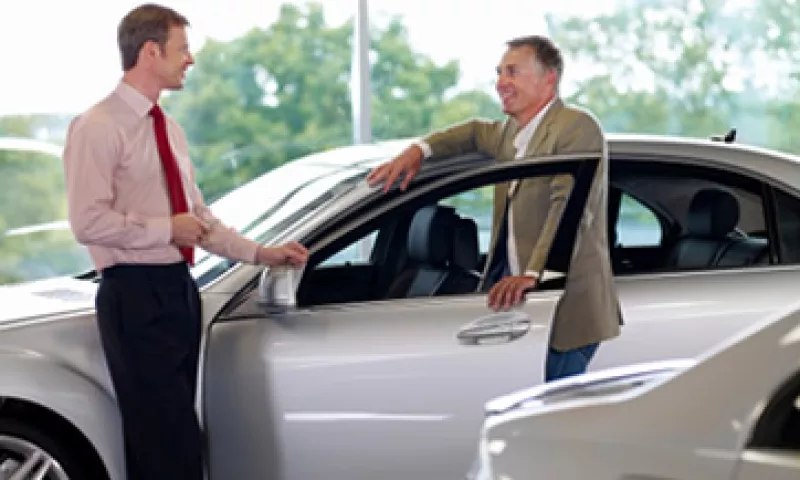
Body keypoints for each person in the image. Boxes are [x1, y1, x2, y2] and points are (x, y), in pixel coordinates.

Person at [62, 4, 309, 480]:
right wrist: (165, 229)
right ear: (150, 52)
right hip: (133, 294)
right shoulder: (97, 126)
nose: (190, 60)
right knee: (163, 438)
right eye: (183, 49)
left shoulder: (168, 128)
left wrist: (261, 254)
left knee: (178, 436)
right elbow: (87, 222)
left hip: (178, 289)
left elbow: (196, 218)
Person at [368, 35, 621, 382]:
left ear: (549, 78)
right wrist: (418, 151)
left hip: (564, 306)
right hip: (522, 305)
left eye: (512, 72)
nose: (501, 82)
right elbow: (472, 133)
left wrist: (533, 274)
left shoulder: (576, 127)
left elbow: (568, 209)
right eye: (499, 73)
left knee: (557, 410)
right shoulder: (510, 133)